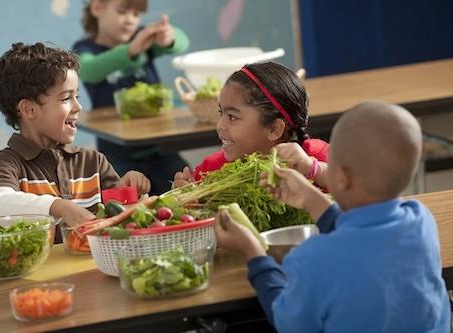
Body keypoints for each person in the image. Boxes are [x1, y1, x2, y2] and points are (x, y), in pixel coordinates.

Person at [215, 101, 450, 332]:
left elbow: (288, 323)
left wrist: (254, 253)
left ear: (341, 177)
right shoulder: (421, 221)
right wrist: (311, 198)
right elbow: (365, 238)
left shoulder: (313, 258)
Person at [0, 42, 151, 227]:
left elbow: (123, 218)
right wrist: (58, 207)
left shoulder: (93, 162)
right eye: (66, 98)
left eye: (76, 97)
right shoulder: (6, 163)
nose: (78, 106)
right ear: (29, 109)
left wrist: (132, 192)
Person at [73, 0, 190, 194]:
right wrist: (131, 50)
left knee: (187, 188)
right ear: (97, 8)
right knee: (126, 203)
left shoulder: (143, 38)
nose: (130, 20)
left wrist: (168, 38)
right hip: (117, 154)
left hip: (161, 150)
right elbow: (89, 70)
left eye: (136, 15)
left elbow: (181, 42)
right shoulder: (85, 48)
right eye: (122, 11)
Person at [173, 61, 329, 189]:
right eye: (221, 113)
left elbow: (350, 187)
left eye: (232, 117)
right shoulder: (210, 171)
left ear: (274, 129)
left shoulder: (316, 156)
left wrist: (314, 170)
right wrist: (186, 197)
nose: (220, 125)